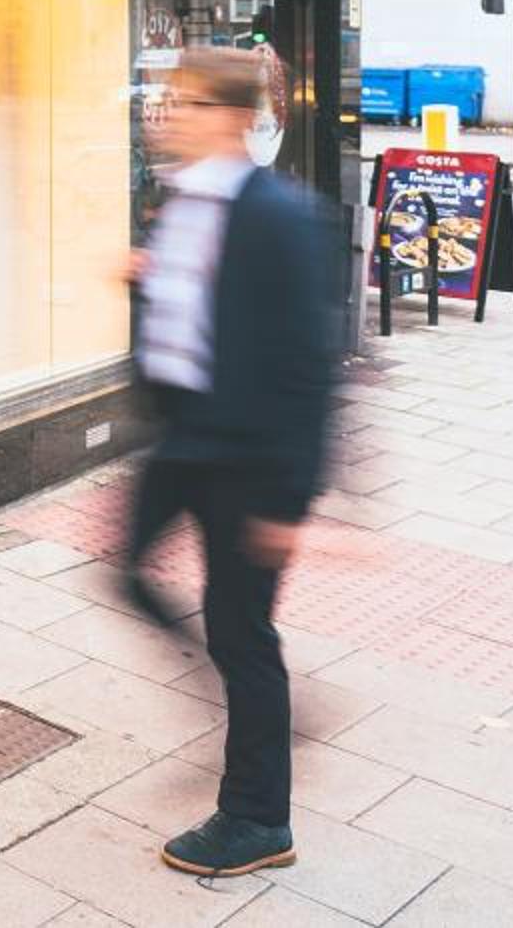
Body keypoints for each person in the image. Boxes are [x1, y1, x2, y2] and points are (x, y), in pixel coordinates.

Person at [119, 48, 341, 882]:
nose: (166, 115)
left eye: (185, 102)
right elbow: (195, 309)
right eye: (167, 101)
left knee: (241, 631)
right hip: (185, 435)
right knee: (127, 572)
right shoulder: (182, 200)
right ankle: (245, 694)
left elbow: (310, 368)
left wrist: (289, 504)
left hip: (249, 458)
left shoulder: (280, 215)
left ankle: (257, 817)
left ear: (234, 116)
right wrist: (144, 281)